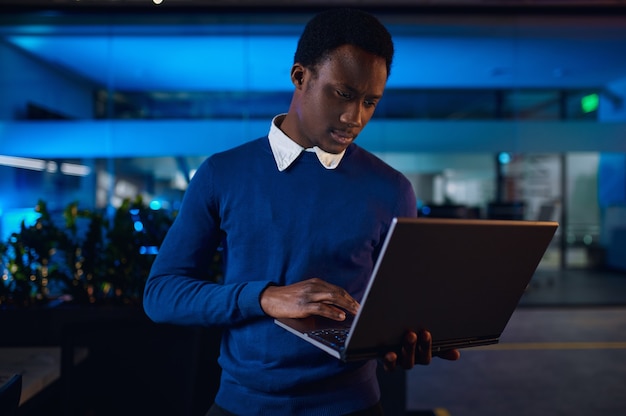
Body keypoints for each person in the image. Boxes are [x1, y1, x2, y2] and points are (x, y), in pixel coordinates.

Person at [143, 7, 459, 415]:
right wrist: (265, 298)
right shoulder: (222, 173)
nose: (355, 117)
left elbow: (397, 311)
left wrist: (399, 343)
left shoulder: (394, 190)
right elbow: (161, 294)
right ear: (300, 77)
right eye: (343, 94)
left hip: (353, 406)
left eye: (370, 102)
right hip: (242, 405)